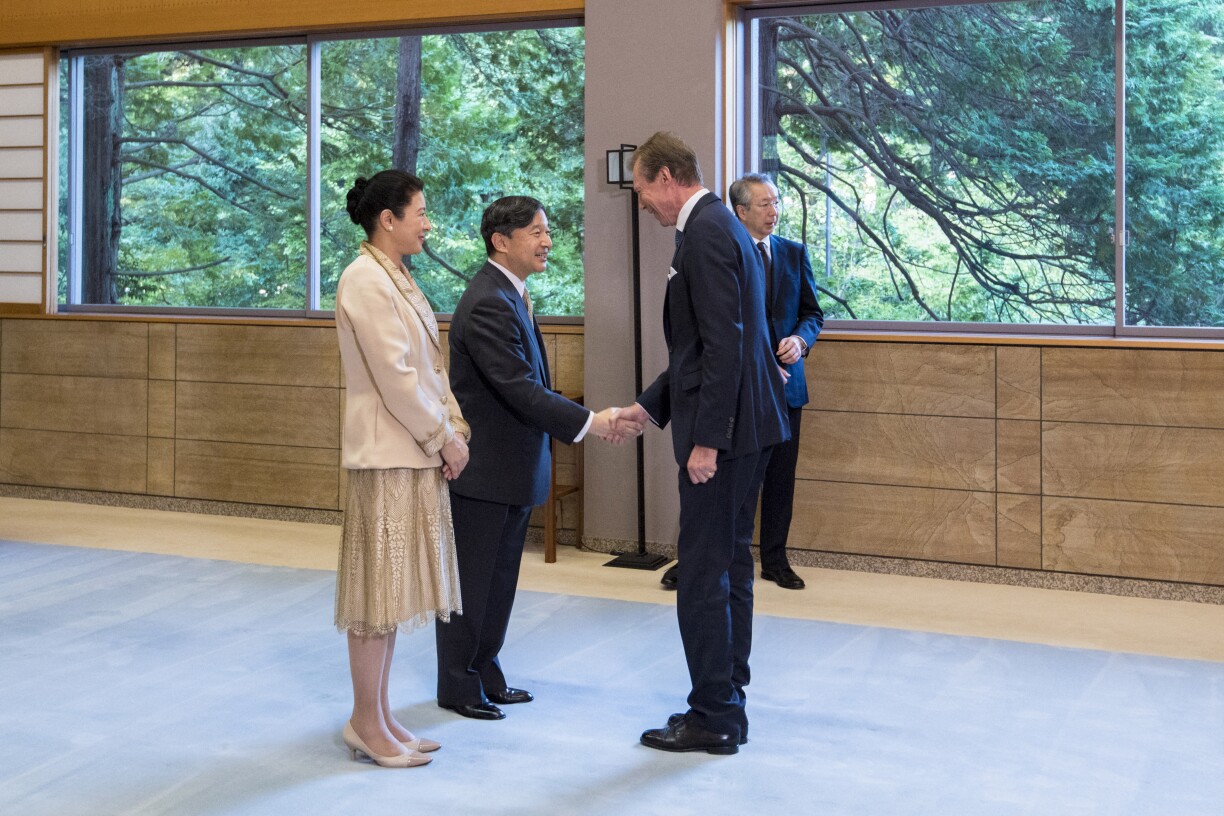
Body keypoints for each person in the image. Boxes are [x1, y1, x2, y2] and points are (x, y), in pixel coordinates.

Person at [436, 195, 641, 721]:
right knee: (474, 583)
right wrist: (593, 422)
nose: (548, 241)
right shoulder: (486, 301)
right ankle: (458, 684)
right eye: (536, 232)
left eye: (547, 230)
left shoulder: (513, 295)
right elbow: (520, 389)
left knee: (500, 581)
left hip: (513, 470)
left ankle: (485, 670)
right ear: (500, 241)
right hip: (483, 473)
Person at [618, 133, 789, 754]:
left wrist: (707, 442)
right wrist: (648, 405)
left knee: (701, 576)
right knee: (729, 569)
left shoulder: (711, 230)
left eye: (641, 190)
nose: (642, 203)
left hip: (729, 436)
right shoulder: (718, 227)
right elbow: (706, 347)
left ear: (666, 177)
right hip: (750, 426)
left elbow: (722, 346)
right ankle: (728, 698)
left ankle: (713, 715)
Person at [334, 170, 470, 768]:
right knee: (375, 594)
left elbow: (431, 368)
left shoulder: (396, 275)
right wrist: (443, 436)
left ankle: (379, 715)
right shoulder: (364, 278)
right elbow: (395, 378)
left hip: (411, 450)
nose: (427, 222)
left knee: (390, 593)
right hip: (387, 453)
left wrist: (453, 431)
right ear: (386, 219)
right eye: (419, 212)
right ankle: (366, 720)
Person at [659, 173, 823, 591]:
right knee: (718, 481)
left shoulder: (792, 252)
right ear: (742, 211)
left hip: (785, 390)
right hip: (735, 387)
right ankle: (700, 557)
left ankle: (774, 559)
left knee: (778, 478)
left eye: (777, 202)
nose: (774, 211)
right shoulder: (726, 249)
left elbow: (812, 314)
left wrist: (799, 341)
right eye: (764, 204)